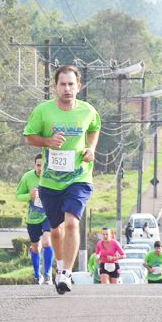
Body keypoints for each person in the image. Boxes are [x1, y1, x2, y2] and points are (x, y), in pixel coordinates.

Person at [24, 65, 101, 294]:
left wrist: (91, 148)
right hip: (50, 181)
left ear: (78, 86)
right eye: (62, 84)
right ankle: (59, 267)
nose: (67, 88)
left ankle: (66, 273)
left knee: (72, 223)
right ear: (55, 87)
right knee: (55, 230)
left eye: (71, 84)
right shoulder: (43, 111)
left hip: (79, 177)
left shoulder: (87, 110)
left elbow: (95, 128)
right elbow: (29, 136)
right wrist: (48, 142)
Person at [15, 154, 54, 285]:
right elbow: (18, 196)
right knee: (36, 248)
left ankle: (48, 274)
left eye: (43, 165)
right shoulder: (27, 177)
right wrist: (29, 196)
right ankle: (37, 275)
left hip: (48, 215)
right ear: (34, 165)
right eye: (38, 165)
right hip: (32, 218)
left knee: (47, 242)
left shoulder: (53, 176)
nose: (40, 168)